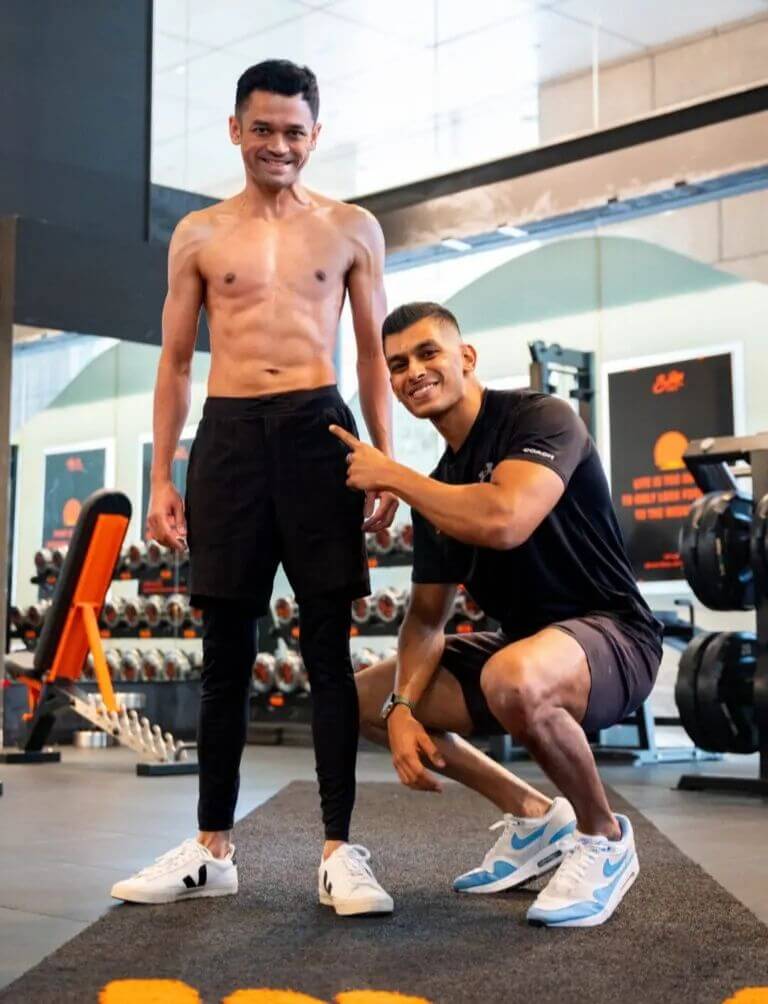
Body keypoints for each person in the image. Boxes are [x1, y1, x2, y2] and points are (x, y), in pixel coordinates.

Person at [111, 60, 398, 917]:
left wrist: (385, 459)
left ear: (316, 135)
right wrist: (161, 475)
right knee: (225, 655)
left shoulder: (352, 229)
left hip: (319, 431)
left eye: (294, 132)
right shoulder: (198, 234)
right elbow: (173, 363)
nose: (279, 145)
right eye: (263, 129)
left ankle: (340, 851)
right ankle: (213, 848)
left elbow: (374, 354)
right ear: (235, 130)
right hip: (230, 439)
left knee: (328, 650)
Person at [330, 301, 663, 928]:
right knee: (361, 698)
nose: (413, 372)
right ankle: (536, 818)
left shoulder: (541, 418)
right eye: (397, 365)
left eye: (428, 353)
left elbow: (506, 519)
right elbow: (425, 623)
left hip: (617, 637)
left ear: (466, 357)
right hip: (526, 648)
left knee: (513, 676)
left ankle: (605, 837)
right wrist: (400, 709)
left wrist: (395, 477)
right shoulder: (439, 485)